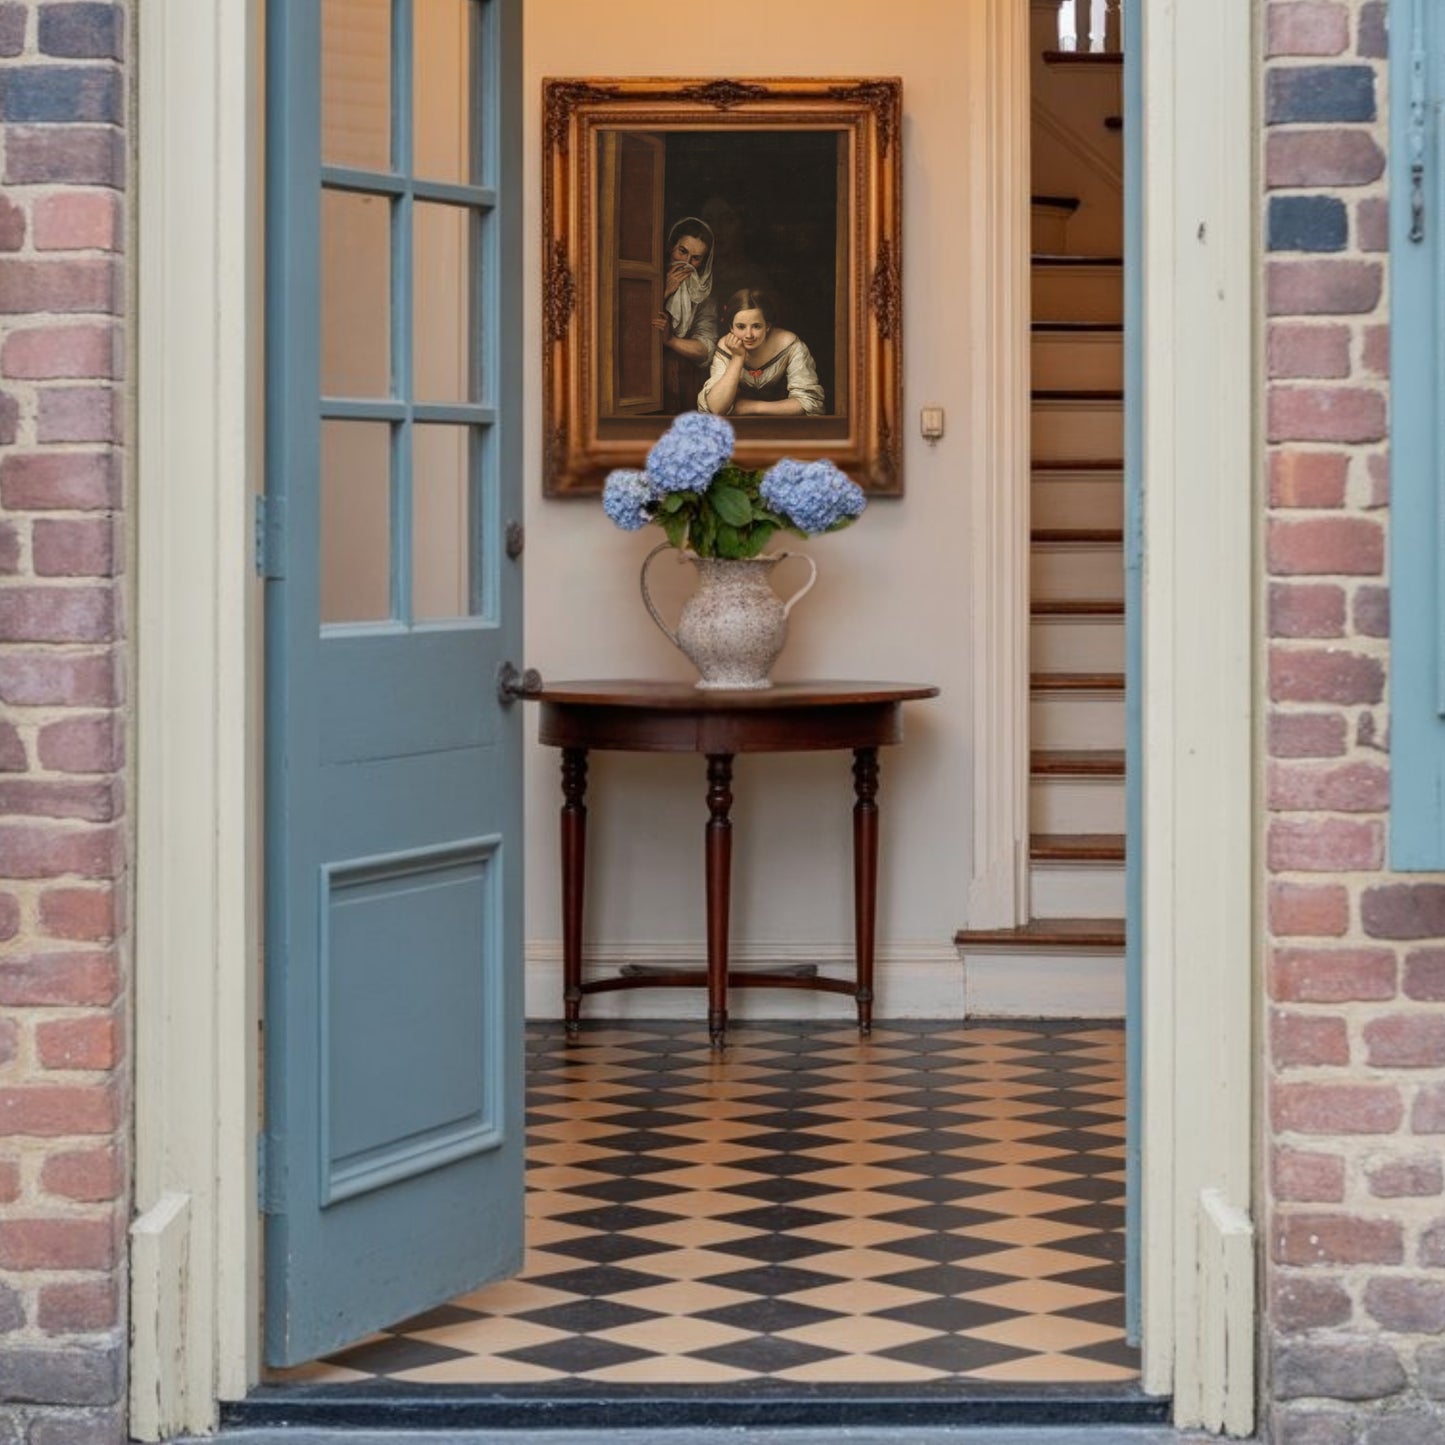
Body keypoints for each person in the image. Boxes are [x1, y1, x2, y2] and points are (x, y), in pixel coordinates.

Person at [699, 288, 826, 417]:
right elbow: (716, 407)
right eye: (741, 327)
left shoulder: (789, 345)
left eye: (756, 326)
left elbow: (808, 402)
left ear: (768, 326)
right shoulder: (726, 347)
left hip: (784, 424)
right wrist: (737, 358)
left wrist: (752, 407)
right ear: (731, 327)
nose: (749, 335)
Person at [653, 217, 718, 412]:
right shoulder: (649, 278)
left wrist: (670, 340)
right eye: (682, 251)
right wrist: (664, 292)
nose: (687, 263)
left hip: (682, 380)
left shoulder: (704, 297)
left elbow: (706, 349)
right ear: (671, 246)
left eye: (695, 258)